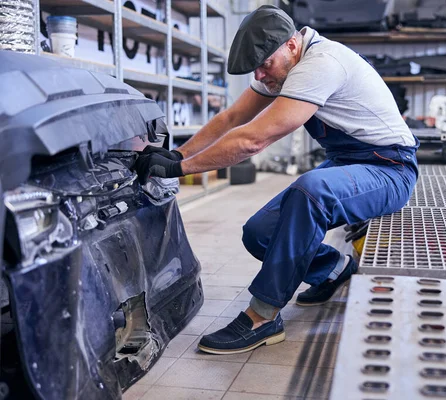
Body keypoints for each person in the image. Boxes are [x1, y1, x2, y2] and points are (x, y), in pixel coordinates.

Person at [135, 4, 419, 355]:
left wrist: (181, 170)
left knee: (311, 192)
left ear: (291, 45)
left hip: (391, 170)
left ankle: (263, 317)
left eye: (264, 64)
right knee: (259, 233)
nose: (260, 73)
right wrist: (178, 153)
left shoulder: (321, 64)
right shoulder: (287, 65)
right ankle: (335, 269)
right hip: (348, 162)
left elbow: (254, 139)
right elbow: (233, 117)